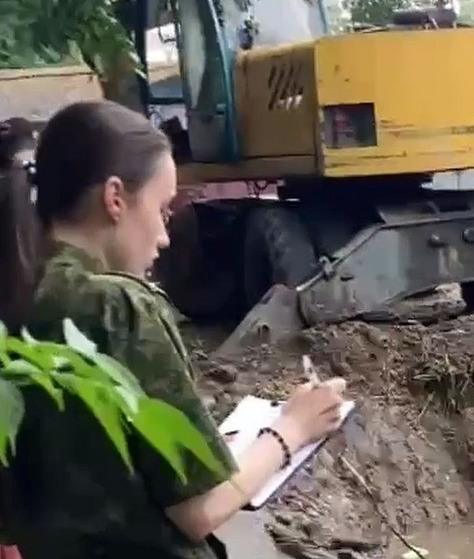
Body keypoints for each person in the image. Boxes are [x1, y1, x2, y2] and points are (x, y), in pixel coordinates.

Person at [0, 100, 347, 559]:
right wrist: (292, 430)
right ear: (115, 198)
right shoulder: (117, 306)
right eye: (163, 210)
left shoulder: (17, 295)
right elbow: (200, 509)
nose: (165, 236)